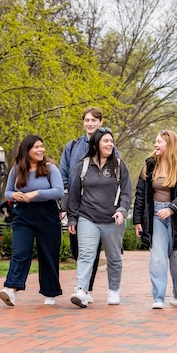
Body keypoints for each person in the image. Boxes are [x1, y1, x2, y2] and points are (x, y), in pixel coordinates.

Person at [66, 128, 131, 308]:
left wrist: (122, 210)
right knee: (86, 255)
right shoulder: (83, 165)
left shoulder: (119, 165)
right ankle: (81, 290)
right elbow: (74, 195)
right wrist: (72, 218)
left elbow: (126, 193)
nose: (110, 144)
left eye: (111, 141)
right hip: (88, 217)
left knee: (114, 257)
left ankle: (114, 289)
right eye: (106, 141)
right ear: (96, 144)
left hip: (113, 219)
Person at [0, 135, 64, 307]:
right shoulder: (17, 170)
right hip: (22, 214)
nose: (41, 150)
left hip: (47, 214)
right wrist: (14, 195)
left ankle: (50, 293)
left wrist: (35, 193)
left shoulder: (50, 168)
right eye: (36, 147)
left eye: (42, 146)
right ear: (26, 150)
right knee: (20, 252)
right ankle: (10, 288)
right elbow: (7, 192)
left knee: (48, 254)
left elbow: (59, 191)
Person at [133, 130, 177, 309]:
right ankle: (158, 297)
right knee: (158, 258)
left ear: (169, 144)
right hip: (155, 216)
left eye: (159, 142)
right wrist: (138, 220)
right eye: (155, 141)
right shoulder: (149, 165)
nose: (155, 145)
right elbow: (141, 194)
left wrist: (171, 208)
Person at [59, 107, 112, 302]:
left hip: (97, 204)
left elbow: (117, 173)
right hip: (76, 203)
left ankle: (84, 289)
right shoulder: (72, 146)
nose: (90, 123)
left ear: (100, 121)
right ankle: (84, 286)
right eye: (87, 120)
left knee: (92, 248)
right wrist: (64, 197)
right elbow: (63, 172)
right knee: (77, 247)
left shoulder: (108, 144)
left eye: (94, 120)